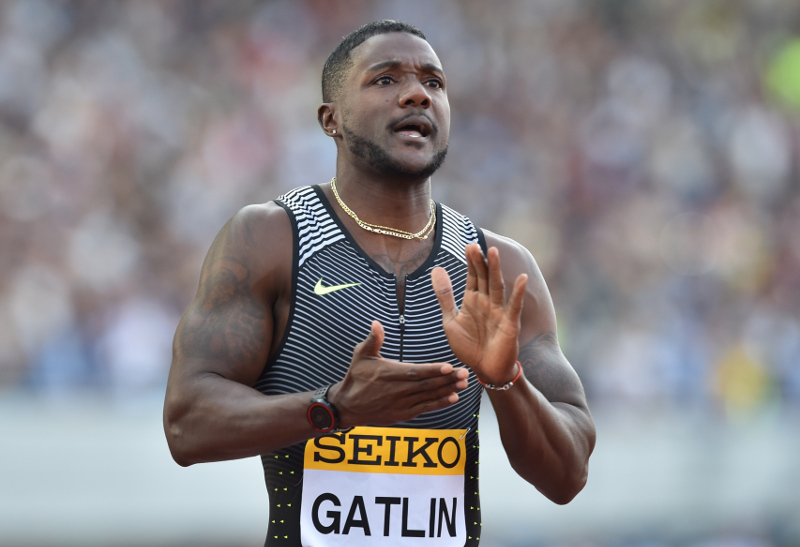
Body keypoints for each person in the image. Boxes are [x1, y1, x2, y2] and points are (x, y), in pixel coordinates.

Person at [163, 20, 596, 547]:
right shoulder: (271, 239)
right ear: (332, 120)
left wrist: (506, 381)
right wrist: (334, 408)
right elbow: (186, 425)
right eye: (385, 80)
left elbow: (568, 476)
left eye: (434, 83)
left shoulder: (495, 265)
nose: (417, 93)